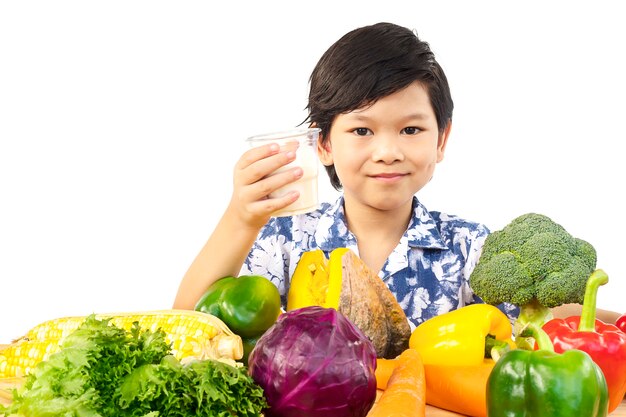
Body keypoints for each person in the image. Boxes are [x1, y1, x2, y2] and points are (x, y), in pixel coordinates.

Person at [173, 22, 619, 328]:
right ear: (323, 144)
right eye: (362, 130)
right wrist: (241, 217)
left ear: (441, 140)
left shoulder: (472, 248)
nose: (387, 152)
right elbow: (190, 326)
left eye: (410, 129)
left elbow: (552, 319)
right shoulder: (283, 241)